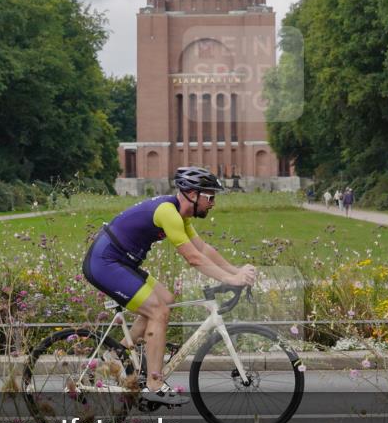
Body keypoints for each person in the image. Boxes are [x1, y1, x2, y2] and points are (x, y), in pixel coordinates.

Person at [81, 167, 256, 406]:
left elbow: (203, 249)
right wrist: (231, 280)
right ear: (192, 194)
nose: (213, 203)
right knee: (158, 311)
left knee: (166, 298)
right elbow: (193, 259)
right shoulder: (169, 213)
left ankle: (114, 357)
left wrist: (236, 271)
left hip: (121, 261)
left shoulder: (179, 215)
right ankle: (154, 385)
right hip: (104, 262)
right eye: (210, 197)